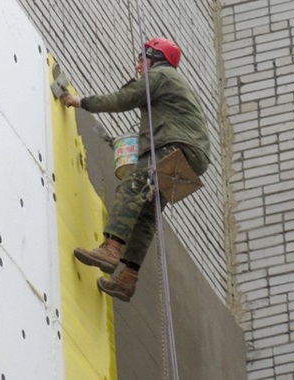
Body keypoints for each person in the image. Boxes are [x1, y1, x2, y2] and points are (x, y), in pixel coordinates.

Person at [62, 37, 210, 302]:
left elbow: (124, 98)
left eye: (142, 58)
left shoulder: (161, 75)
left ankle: (111, 250)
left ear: (155, 58)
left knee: (132, 188)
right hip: (191, 157)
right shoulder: (173, 85)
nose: (138, 64)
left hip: (174, 145)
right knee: (146, 214)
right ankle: (127, 279)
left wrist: (81, 102)